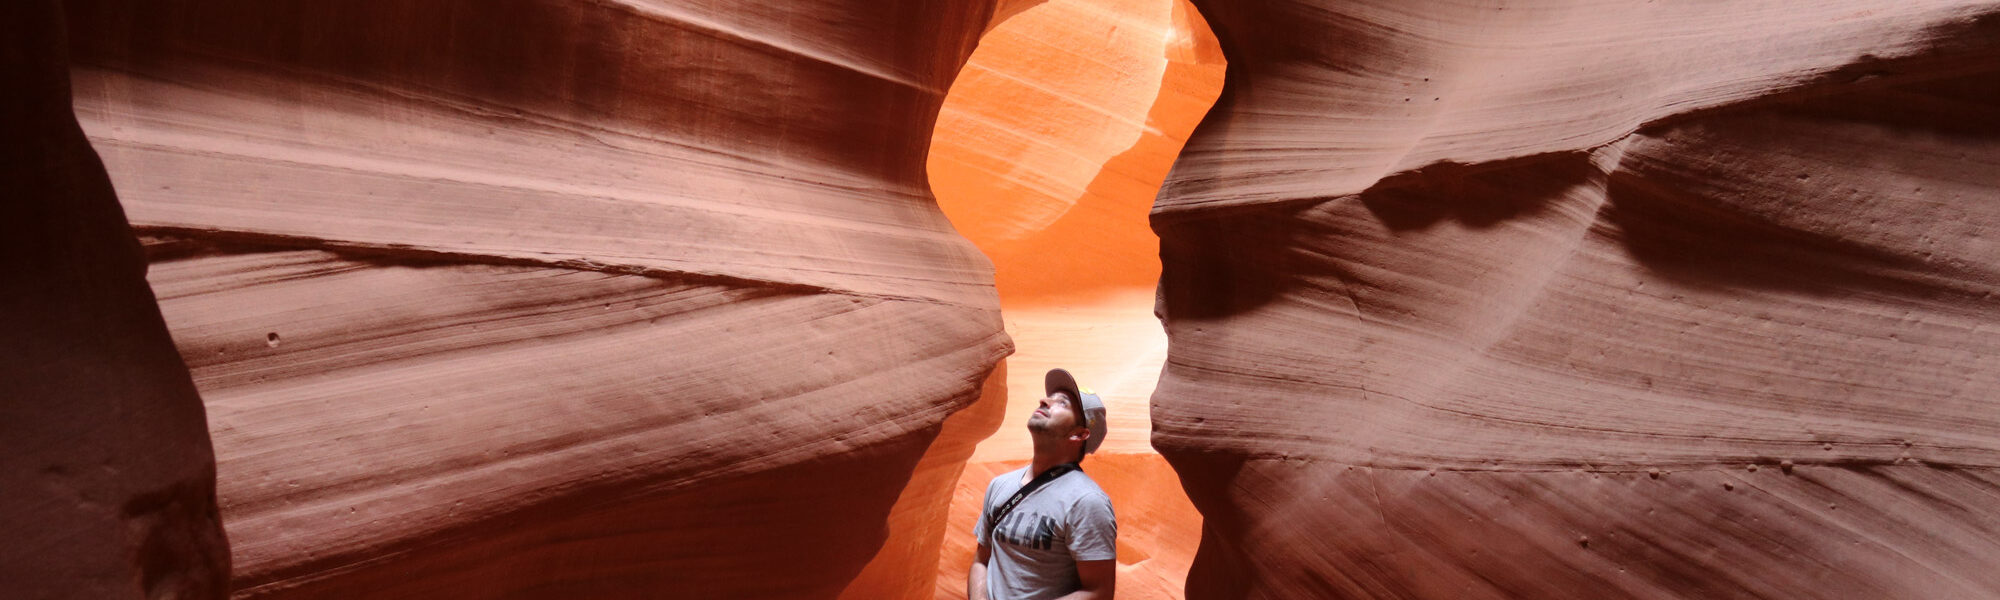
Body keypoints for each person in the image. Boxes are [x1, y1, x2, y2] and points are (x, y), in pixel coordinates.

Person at [969, 368, 1116, 600]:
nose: (1044, 401)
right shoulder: (1000, 486)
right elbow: (981, 561)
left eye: (1062, 403)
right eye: (1049, 397)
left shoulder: (1087, 502)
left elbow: (1098, 592)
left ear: (1079, 434)